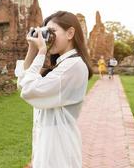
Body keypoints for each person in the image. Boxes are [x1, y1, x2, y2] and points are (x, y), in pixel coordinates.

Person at [14, 11, 93, 168]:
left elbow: (29, 90)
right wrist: (32, 49)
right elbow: (22, 82)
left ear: (70, 33)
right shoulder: (62, 64)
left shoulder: (73, 66)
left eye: (52, 32)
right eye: (46, 32)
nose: (48, 37)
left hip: (58, 147)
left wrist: (42, 51)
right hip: (49, 140)